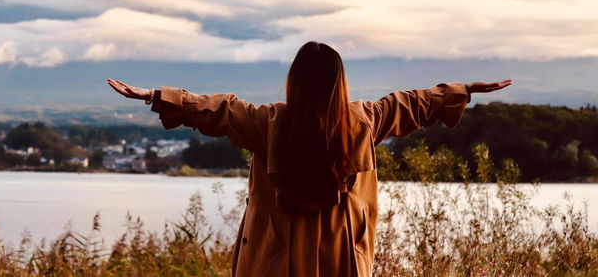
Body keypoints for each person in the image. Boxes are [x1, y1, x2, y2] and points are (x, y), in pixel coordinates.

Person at [107, 41, 511, 277]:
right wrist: (461, 90)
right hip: (342, 262)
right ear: (341, 82)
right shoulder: (365, 121)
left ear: (294, 81)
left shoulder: (267, 123)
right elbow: (413, 103)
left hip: (274, 261)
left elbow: (217, 110)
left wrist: (157, 96)